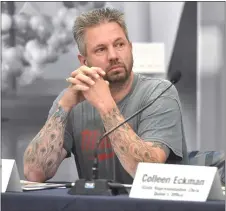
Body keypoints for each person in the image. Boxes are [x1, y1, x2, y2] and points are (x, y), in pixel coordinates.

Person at [23, 7, 188, 184]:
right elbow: (35, 173)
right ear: (84, 62)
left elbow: (147, 172)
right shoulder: (72, 100)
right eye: (101, 49)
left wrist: (105, 105)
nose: (113, 55)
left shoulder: (159, 93)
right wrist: (64, 105)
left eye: (119, 45)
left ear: (130, 48)